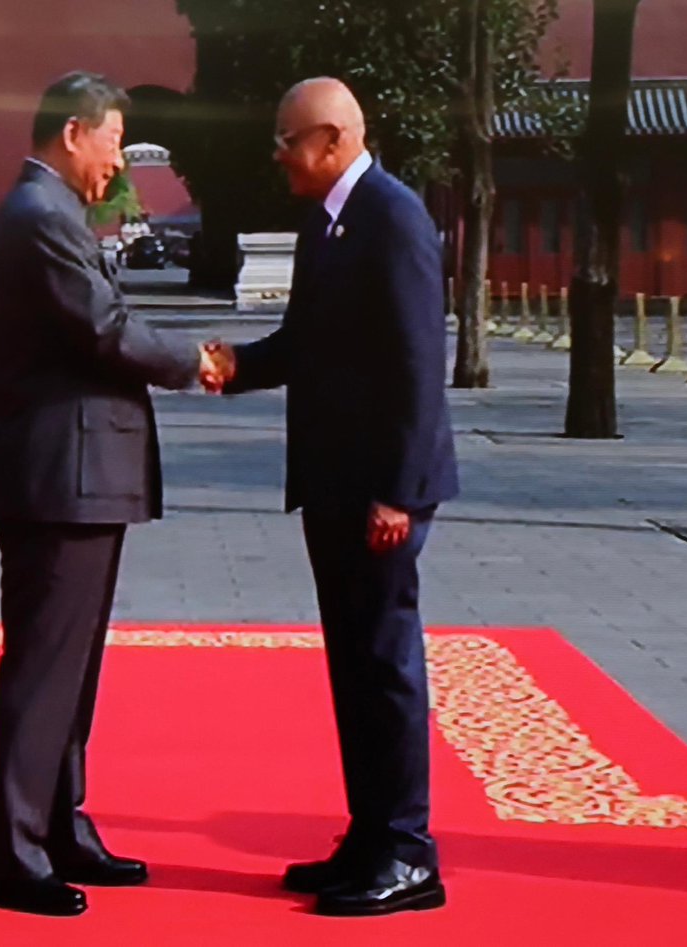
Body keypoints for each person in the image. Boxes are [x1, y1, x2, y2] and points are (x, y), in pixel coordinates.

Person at [201, 78, 458, 917]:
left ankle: (409, 851)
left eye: (287, 139)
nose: (277, 154)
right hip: (334, 484)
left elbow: (419, 365)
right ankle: (371, 832)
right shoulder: (328, 223)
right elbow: (308, 343)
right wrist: (232, 366)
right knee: (352, 665)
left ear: (333, 139)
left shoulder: (393, 216)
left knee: (384, 665)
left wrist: (399, 491)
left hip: (378, 494)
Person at [0, 71, 217, 917]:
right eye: (114, 139)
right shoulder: (41, 217)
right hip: (58, 476)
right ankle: (14, 849)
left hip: (75, 474)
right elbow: (104, 329)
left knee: (71, 664)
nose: (118, 158)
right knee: (45, 666)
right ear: (74, 132)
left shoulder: (52, 214)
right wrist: (199, 361)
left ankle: (57, 821)